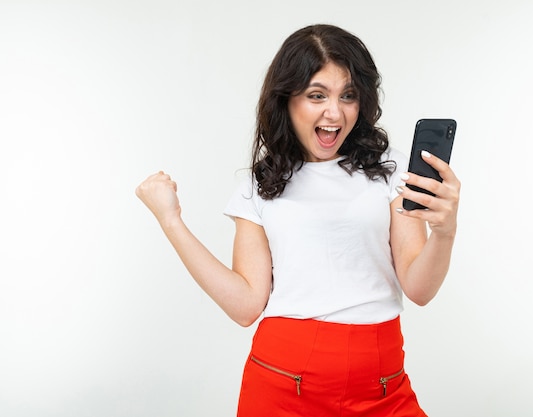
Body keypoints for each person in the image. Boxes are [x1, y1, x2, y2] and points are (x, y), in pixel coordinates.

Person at [136, 24, 460, 417]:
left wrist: (444, 231)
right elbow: (245, 306)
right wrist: (171, 221)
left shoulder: (389, 172)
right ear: (287, 100)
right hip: (282, 385)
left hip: (382, 387)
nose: (334, 113)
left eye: (348, 96)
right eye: (317, 95)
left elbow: (419, 289)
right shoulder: (261, 185)